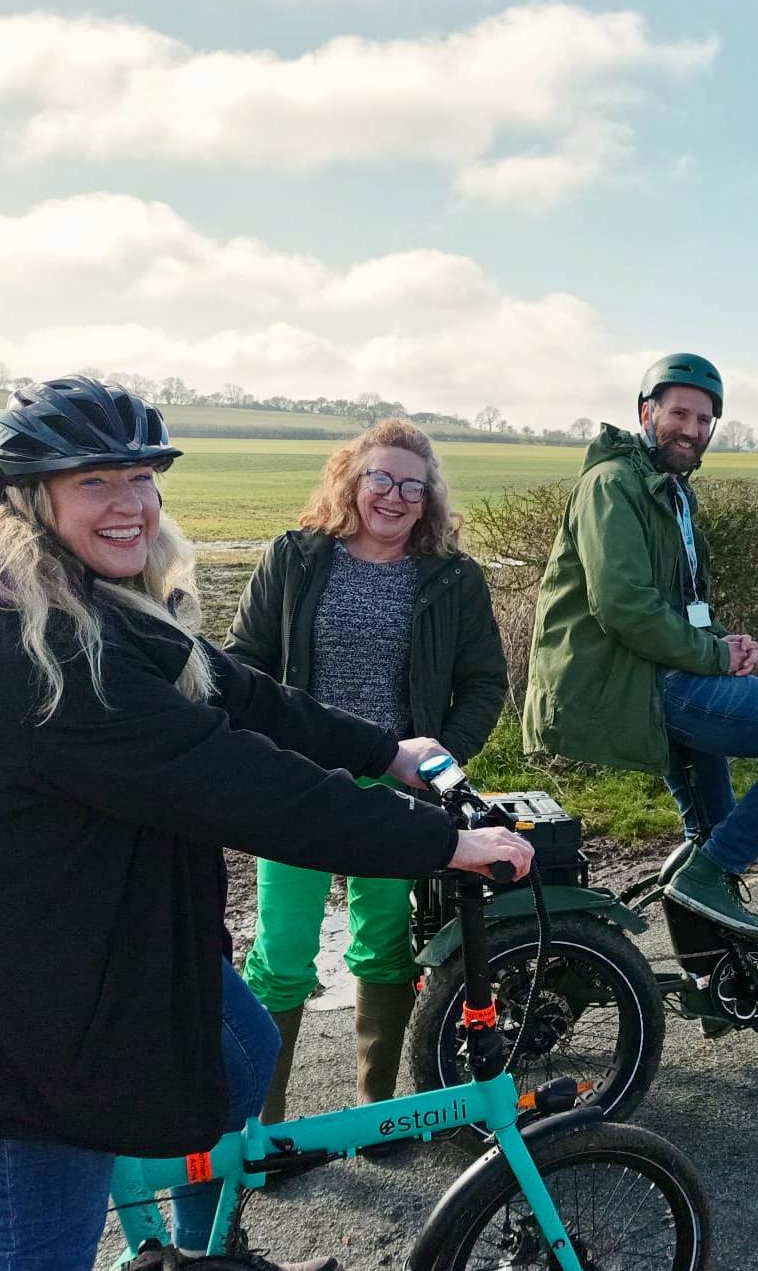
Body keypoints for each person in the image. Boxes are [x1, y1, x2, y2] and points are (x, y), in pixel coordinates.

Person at [0, 377, 533, 1271]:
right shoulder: (49, 656)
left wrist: (386, 749)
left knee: (238, 1053)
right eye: (95, 484)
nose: (130, 506)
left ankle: (196, 1252)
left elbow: (242, 693)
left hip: (80, 943)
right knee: (40, 1251)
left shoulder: (100, 602)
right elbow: (251, 784)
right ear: (34, 501)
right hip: (4, 1008)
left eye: (142, 480)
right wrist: (447, 843)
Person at [226, 419, 506, 1127]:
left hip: (399, 787)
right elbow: (242, 664)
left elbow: (483, 682)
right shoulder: (293, 559)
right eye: (380, 477)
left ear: (428, 499)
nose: (394, 495)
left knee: (383, 944)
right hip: (299, 783)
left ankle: (374, 1114)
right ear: (350, 480)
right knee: (282, 951)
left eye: (412, 485)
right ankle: (266, 1128)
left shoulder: (452, 577)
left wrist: (439, 759)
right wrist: (257, 752)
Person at [522, 353, 758, 940]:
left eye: (705, 421)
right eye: (680, 413)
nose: (692, 430)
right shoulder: (611, 486)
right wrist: (714, 658)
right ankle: (707, 877)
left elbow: (676, 601)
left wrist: (724, 642)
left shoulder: (669, 493)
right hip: (630, 680)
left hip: (656, 670)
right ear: (647, 413)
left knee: (713, 830)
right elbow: (624, 606)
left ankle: (712, 983)